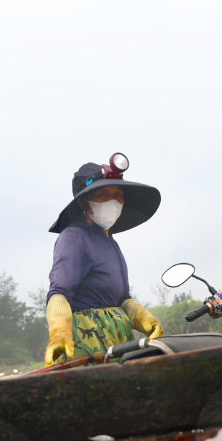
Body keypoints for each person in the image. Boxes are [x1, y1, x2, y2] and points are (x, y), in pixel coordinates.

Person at [44, 155, 165, 365]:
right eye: (103, 194)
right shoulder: (74, 236)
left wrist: (143, 318)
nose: (113, 200)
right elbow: (58, 292)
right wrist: (59, 330)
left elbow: (121, 299)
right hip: (88, 340)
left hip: (118, 338)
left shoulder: (109, 241)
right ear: (83, 201)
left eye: (118, 194)